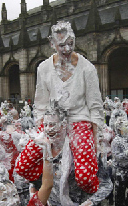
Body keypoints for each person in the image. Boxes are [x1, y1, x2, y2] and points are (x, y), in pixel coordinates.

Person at [33, 20, 104, 194]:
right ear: (52, 44)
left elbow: (95, 106)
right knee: (24, 165)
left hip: (78, 121)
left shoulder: (87, 68)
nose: (66, 49)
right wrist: (41, 130)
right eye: (61, 45)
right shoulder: (43, 68)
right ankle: (46, 193)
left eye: (70, 44)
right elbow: (41, 103)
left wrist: (95, 141)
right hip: (53, 122)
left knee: (85, 176)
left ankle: (90, 199)